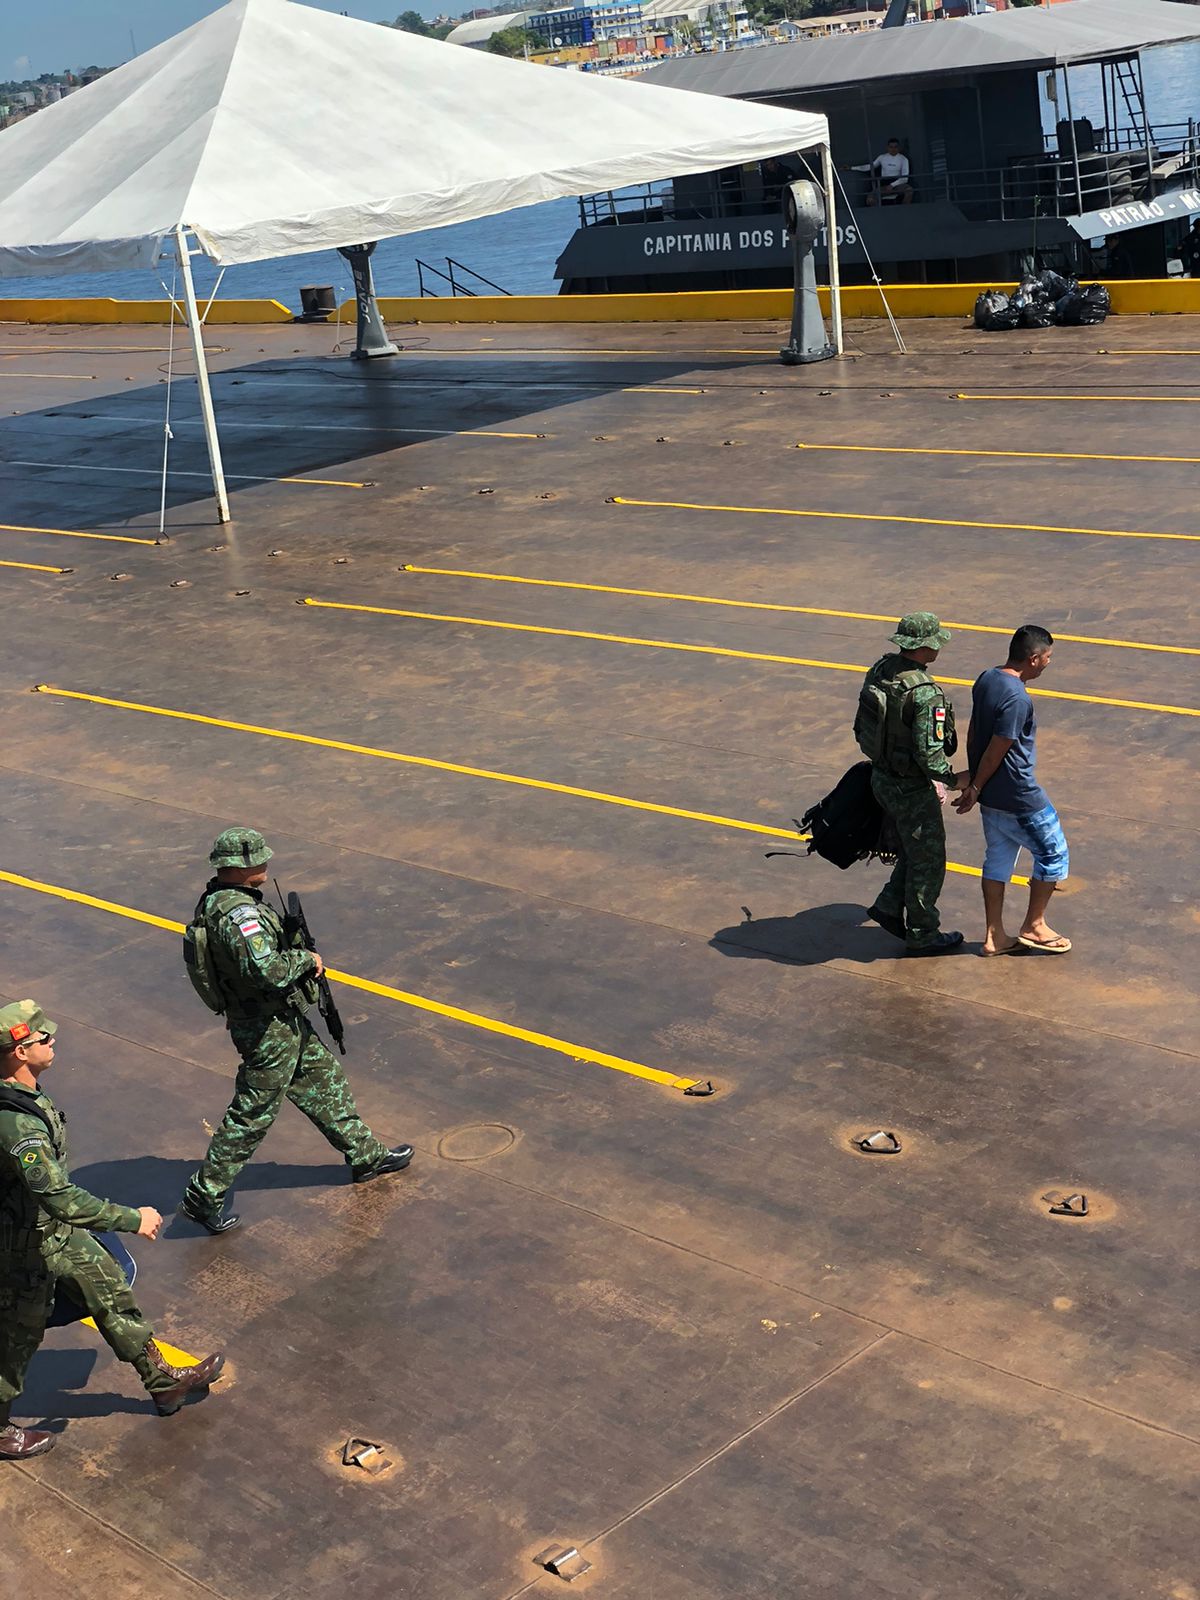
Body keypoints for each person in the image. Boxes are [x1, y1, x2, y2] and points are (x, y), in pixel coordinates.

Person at [0, 1001, 224, 1461]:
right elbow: (58, 1196)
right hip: (26, 1248)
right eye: (44, 1039)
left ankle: (163, 1384)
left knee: (110, 1289)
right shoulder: (17, 1124)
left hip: (54, 1234)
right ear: (20, 1051)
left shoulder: (24, 1095)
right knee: (15, 1341)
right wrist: (131, 1218)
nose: (52, 1042)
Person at [180, 828, 413, 1235]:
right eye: (260, 860)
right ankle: (204, 1195)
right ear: (239, 866)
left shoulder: (227, 902)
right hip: (266, 1029)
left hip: (279, 1022)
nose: (267, 865)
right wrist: (305, 960)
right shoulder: (240, 916)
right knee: (252, 1113)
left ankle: (366, 1155)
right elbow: (267, 972)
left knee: (325, 1080)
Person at [854, 613, 969, 955]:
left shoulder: (881, 670)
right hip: (910, 788)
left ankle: (889, 904)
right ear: (924, 646)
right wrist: (954, 780)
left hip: (881, 777)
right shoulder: (924, 693)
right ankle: (923, 933)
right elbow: (929, 754)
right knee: (929, 860)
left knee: (914, 850)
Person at [955, 626, 1071, 956]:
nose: (1049, 663)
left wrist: (976, 781)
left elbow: (975, 733)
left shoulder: (987, 678)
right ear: (1033, 659)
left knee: (999, 859)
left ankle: (995, 936)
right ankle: (1034, 925)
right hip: (1019, 796)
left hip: (992, 797)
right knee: (1053, 855)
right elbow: (999, 745)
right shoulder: (1018, 698)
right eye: (1047, 658)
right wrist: (975, 785)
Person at [864, 137, 912, 205]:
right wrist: (851, 168)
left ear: (899, 148)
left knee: (909, 190)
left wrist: (892, 185)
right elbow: (869, 167)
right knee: (870, 199)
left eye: (895, 147)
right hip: (884, 185)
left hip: (898, 185)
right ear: (887, 147)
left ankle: (905, 208)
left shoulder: (903, 159)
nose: (893, 149)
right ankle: (879, 212)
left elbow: (905, 178)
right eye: (891, 147)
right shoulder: (882, 157)